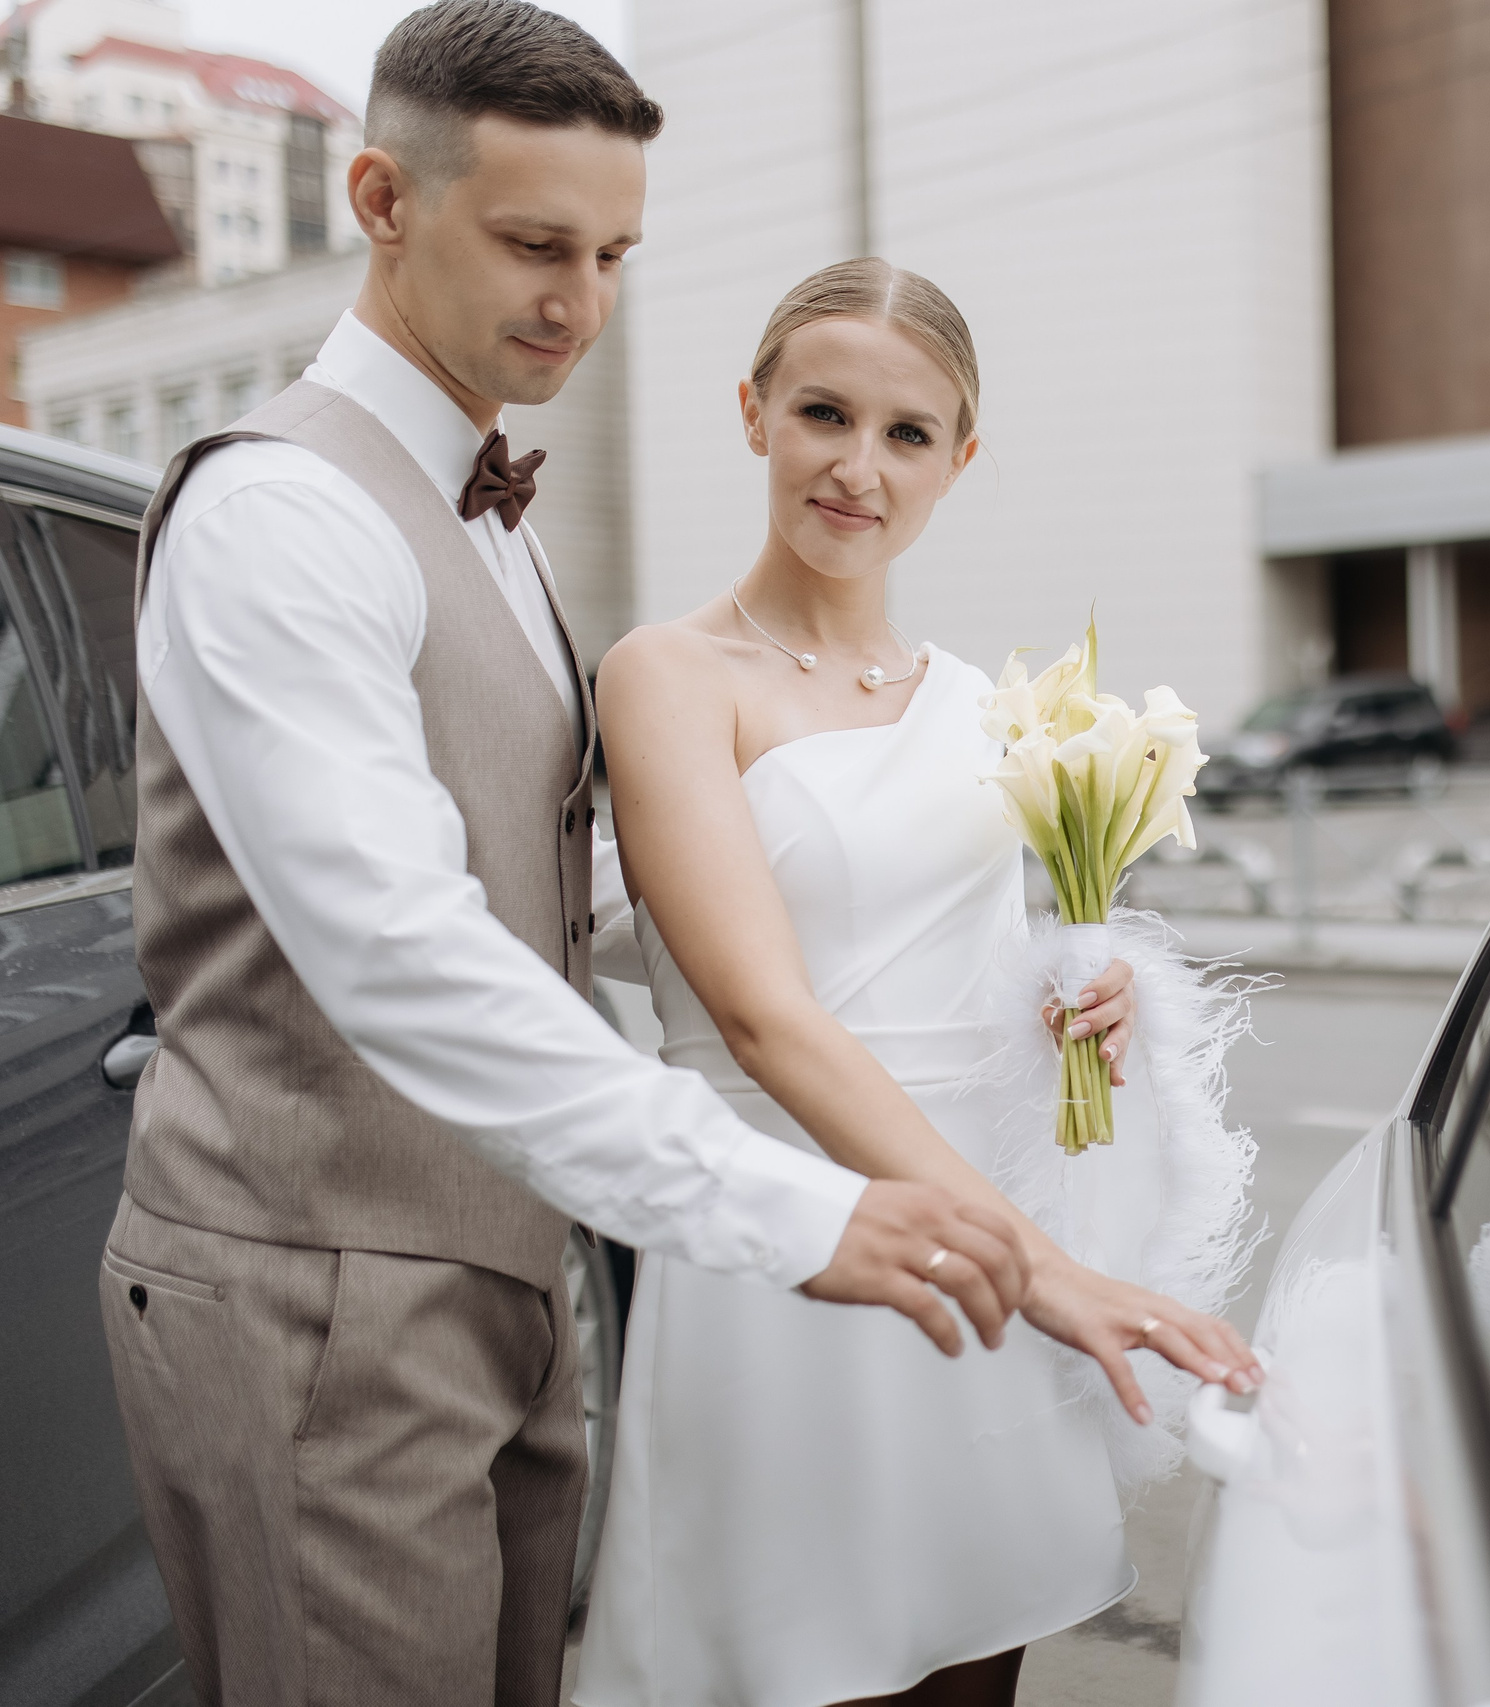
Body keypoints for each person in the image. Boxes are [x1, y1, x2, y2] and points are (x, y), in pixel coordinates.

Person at [96, 7, 1034, 1703]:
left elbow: (540, 885)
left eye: (613, 253)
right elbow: (396, 943)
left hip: (508, 1282)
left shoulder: (483, 517)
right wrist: (781, 1196)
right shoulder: (280, 514)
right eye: (537, 244)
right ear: (380, 198)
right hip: (323, 1295)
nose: (580, 303)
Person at [570, 259, 1259, 1707]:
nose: (857, 467)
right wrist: (1046, 1271)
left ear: (960, 459)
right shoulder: (670, 677)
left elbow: (972, 955)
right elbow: (766, 1015)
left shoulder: (982, 707)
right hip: (793, 1241)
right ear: (753, 413)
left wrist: (1085, 993)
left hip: (981, 1250)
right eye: (823, 412)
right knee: (789, 1654)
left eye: (907, 434)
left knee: (969, 1654)